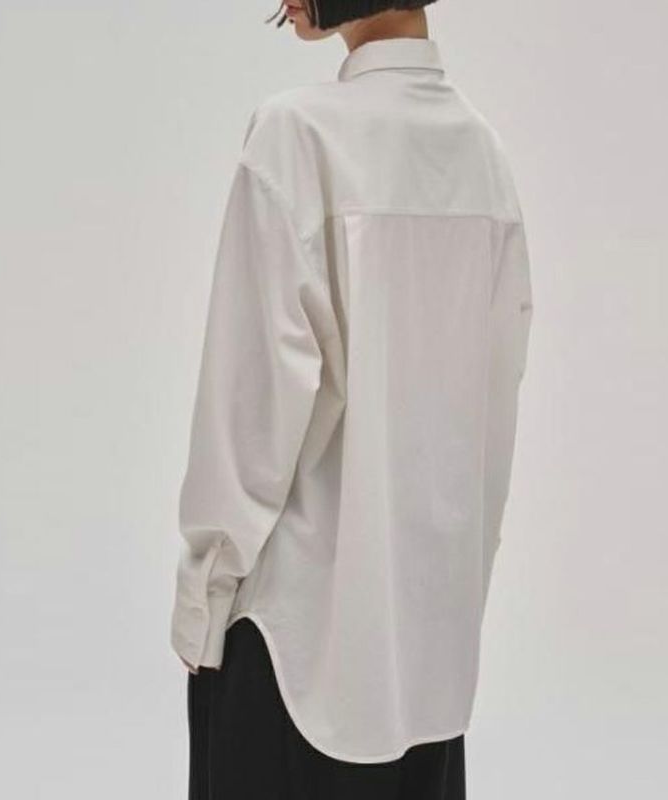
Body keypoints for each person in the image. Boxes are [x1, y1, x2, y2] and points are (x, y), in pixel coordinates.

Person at [169, 1, 534, 797]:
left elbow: (252, 402)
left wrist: (205, 590)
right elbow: (493, 409)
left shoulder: (298, 136)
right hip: (426, 663)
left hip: (294, 642)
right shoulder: (483, 155)